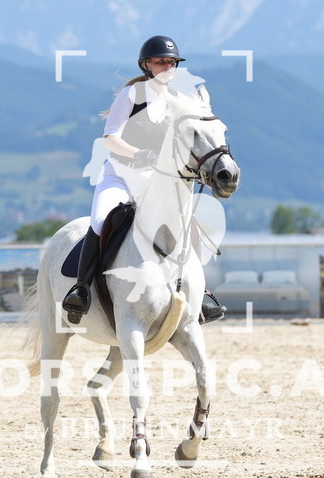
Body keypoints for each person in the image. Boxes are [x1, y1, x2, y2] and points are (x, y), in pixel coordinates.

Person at [61, 35, 225, 324]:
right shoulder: (131, 95)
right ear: (146, 65)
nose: (167, 66)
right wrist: (138, 154)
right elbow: (110, 138)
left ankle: (201, 293)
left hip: (153, 181)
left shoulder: (178, 100)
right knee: (101, 220)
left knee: (187, 221)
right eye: (160, 61)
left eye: (171, 62)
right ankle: (82, 288)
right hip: (119, 177)